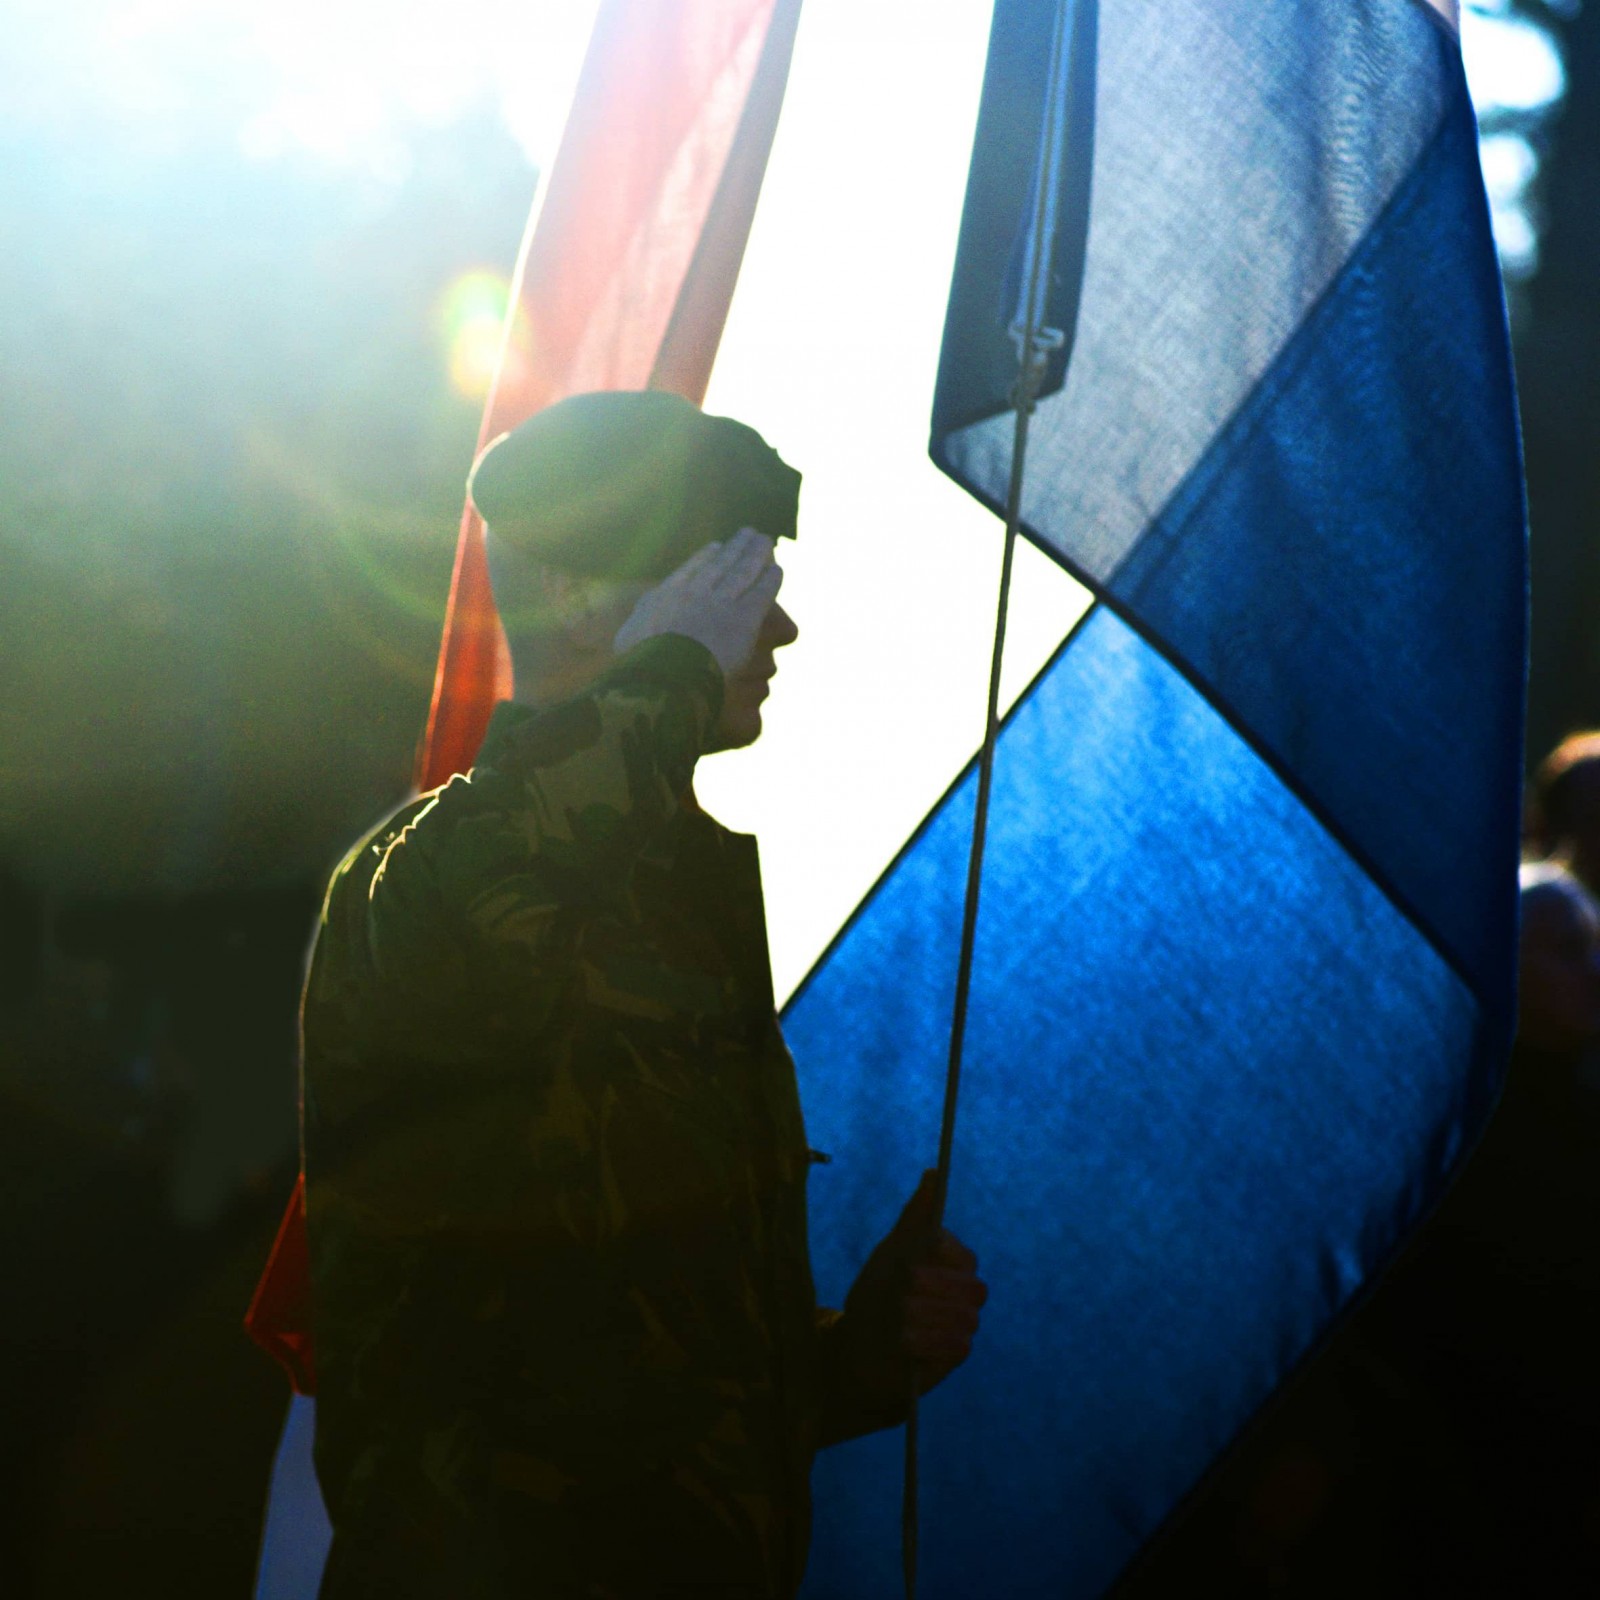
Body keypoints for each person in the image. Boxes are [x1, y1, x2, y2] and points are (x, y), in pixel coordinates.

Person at [301, 391, 987, 1599]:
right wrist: (669, 669)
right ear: (578, 596)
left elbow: (647, 1369)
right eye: (725, 579)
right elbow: (512, 858)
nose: (773, 625)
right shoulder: (419, 876)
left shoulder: (684, 901)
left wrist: (860, 1359)